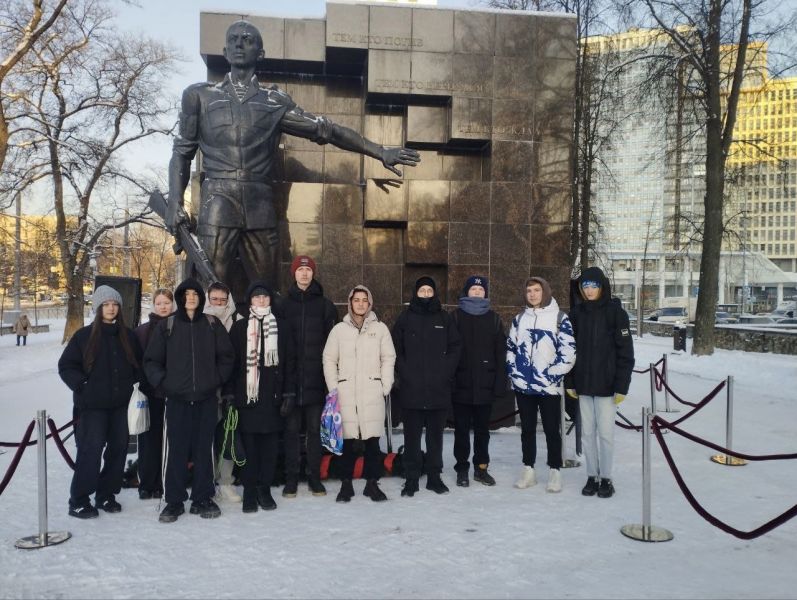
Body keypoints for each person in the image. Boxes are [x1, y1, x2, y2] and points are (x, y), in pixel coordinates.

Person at [166, 19, 420, 296]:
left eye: (247, 40)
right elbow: (182, 152)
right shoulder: (199, 96)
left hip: (259, 203)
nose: (239, 44)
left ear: (260, 54)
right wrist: (174, 203)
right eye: (233, 40)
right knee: (210, 290)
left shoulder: (274, 101)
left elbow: (326, 130)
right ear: (225, 52)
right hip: (217, 200)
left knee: (267, 292)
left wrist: (380, 151)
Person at [143, 278, 235, 523]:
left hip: (205, 399)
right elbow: (151, 361)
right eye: (187, 294)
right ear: (181, 298)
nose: (191, 298)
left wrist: (215, 380)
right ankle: (173, 500)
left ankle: (203, 497)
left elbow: (227, 357)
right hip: (177, 400)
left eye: (195, 294)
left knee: (205, 450)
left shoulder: (212, 324)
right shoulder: (168, 326)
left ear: (201, 298)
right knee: (176, 451)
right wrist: (165, 384)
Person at [58, 286, 143, 518]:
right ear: (98, 308)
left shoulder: (128, 336)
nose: (111, 308)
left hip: (120, 406)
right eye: (106, 305)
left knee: (118, 450)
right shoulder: (83, 336)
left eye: (114, 304)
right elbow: (66, 366)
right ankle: (79, 499)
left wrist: (134, 384)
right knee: (91, 451)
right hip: (92, 407)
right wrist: (82, 385)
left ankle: (106, 494)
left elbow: (138, 365)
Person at [225, 282, 296, 513]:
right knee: (249, 450)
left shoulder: (282, 327)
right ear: (250, 301)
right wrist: (229, 395)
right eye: (257, 297)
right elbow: (232, 364)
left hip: (273, 400)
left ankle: (264, 490)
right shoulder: (240, 328)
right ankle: (249, 492)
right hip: (247, 399)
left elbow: (290, 363)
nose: (262, 300)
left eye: (265, 296)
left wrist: (288, 393)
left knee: (269, 450)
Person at [565, 267, 635, 499]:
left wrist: (622, 385)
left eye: (593, 286)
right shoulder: (576, 314)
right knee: (587, 434)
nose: (589, 290)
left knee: (605, 434)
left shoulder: (616, 314)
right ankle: (591, 475)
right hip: (584, 385)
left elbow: (626, 353)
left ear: (602, 287)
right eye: (585, 286)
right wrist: (570, 381)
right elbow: (569, 351)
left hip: (607, 386)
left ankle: (606, 477)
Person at [323, 285, 396, 503]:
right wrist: (334, 387)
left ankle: (372, 484)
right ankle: (346, 484)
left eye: (365, 300)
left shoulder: (380, 329)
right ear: (350, 302)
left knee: (372, 442)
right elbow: (329, 359)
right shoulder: (339, 330)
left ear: (370, 303)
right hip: (346, 394)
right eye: (357, 300)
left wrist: (385, 385)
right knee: (347, 443)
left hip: (372, 393)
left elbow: (388, 357)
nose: (361, 304)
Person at [392, 276, 461, 497]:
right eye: (422, 291)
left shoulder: (444, 318)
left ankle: (434, 477)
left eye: (429, 291)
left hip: (438, 389)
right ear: (415, 293)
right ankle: (411, 478)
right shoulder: (405, 318)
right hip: (411, 390)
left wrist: (445, 372)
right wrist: (405, 372)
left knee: (435, 438)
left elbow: (455, 347)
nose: (425, 294)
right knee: (411, 437)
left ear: (434, 293)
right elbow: (395, 349)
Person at [274, 255, 338, 497]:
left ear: (313, 273)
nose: (304, 274)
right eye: (300, 270)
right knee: (290, 432)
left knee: (314, 432)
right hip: (290, 383)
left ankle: (314, 478)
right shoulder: (282, 305)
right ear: (294, 273)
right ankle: (291, 478)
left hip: (315, 381)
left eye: (308, 270)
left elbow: (333, 346)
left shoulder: (325, 306)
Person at [506, 277, 576, 493]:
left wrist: (552, 375)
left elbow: (568, 352)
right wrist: (515, 373)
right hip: (524, 387)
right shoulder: (519, 319)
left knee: (551, 430)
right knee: (527, 430)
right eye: (529, 291)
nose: (533, 294)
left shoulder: (559, 318)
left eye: (537, 290)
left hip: (548, 387)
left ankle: (555, 471)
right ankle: (528, 470)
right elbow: (511, 348)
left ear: (545, 292)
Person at [450, 276, 507, 488]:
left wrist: (500, 382)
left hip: (485, 385)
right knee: (461, 431)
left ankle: (481, 468)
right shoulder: (455, 317)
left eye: (480, 289)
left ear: (485, 294)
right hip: (461, 385)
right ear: (466, 292)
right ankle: (462, 469)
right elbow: (448, 351)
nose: (476, 292)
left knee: (483, 431)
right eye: (473, 288)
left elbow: (500, 353)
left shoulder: (494, 319)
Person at [204, 281, 244, 504]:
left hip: (231, 388)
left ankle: (226, 482)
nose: (218, 304)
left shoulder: (238, 321)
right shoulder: (198, 319)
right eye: (214, 300)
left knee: (228, 435)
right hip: (205, 389)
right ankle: (207, 480)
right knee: (206, 437)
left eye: (222, 300)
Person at [133, 288, 174, 500]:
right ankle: (147, 482)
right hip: (150, 393)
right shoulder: (142, 332)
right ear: (154, 305)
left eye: (167, 302)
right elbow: (138, 361)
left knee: (169, 440)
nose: (163, 307)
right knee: (148, 440)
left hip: (174, 393)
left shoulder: (179, 326)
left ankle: (163, 481)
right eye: (159, 303)